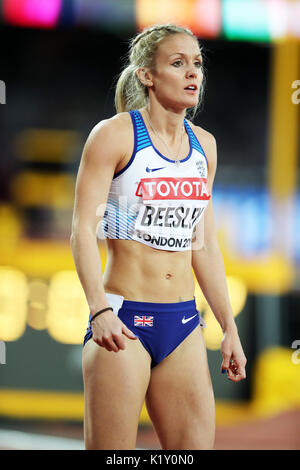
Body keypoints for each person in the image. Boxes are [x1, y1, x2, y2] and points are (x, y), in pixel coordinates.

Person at [70, 23, 247, 450]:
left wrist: (229, 326)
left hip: (184, 325)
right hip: (123, 322)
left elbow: (202, 244)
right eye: (178, 63)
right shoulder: (114, 134)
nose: (193, 74)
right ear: (147, 75)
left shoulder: (205, 146)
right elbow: (81, 230)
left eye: (198, 64)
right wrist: (99, 312)